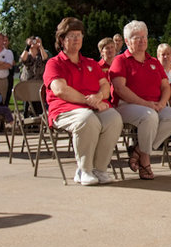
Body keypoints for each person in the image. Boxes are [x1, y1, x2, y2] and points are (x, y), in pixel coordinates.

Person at [43, 17, 123, 186]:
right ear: (62, 40)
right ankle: (84, 169)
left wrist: (99, 97)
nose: (76, 39)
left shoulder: (91, 63)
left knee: (114, 118)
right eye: (71, 35)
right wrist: (90, 101)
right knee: (87, 119)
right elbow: (60, 90)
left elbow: (105, 87)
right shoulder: (54, 63)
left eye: (79, 35)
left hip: (93, 106)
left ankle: (99, 169)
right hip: (65, 110)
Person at [108, 21, 171, 181]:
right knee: (149, 116)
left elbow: (166, 87)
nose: (142, 40)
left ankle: (138, 150)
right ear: (127, 41)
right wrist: (146, 104)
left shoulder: (154, 62)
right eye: (137, 38)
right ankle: (145, 160)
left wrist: (163, 102)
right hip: (126, 106)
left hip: (154, 105)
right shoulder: (120, 60)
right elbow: (120, 89)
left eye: (144, 37)